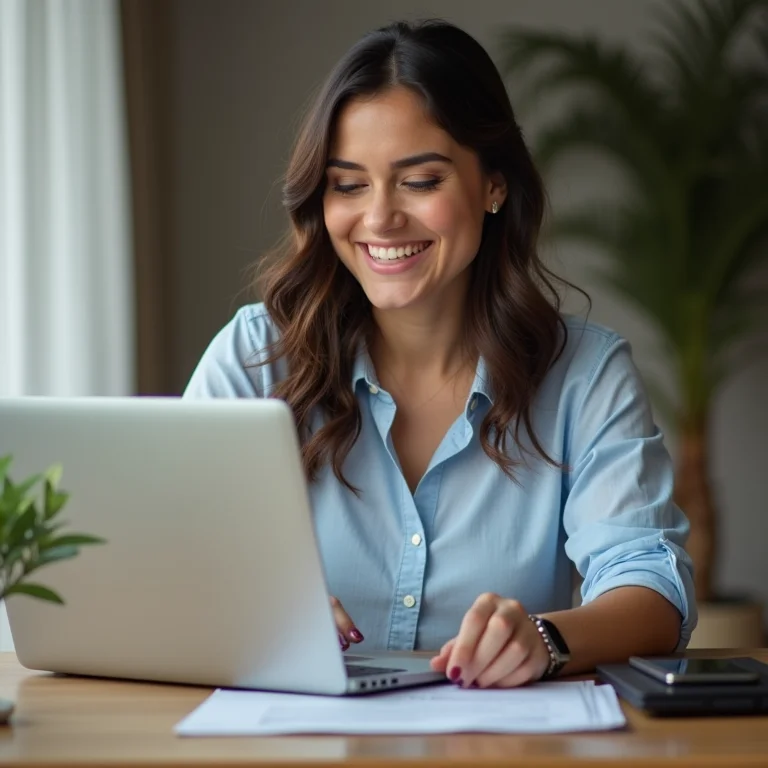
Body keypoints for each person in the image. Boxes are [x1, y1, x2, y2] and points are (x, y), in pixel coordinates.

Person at [184, 19, 696, 689]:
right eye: (348, 185)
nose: (379, 219)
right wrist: (247, 602)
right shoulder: (256, 357)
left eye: (419, 181)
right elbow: (174, 557)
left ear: (494, 186)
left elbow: (652, 587)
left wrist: (544, 638)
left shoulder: (585, 375)